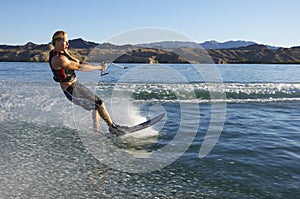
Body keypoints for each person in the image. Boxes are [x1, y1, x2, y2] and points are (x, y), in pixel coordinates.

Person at [49, 30, 125, 137]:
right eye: (65, 41)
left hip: (76, 86)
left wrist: (97, 66)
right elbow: (79, 67)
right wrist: (99, 67)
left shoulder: (62, 53)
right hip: (70, 90)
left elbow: (79, 62)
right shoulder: (59, 59)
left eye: (67, 41)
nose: (68, 44)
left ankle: (97, 131)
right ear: (57, 41)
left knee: (96, 105)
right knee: (99, 103)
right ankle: (112, 127)